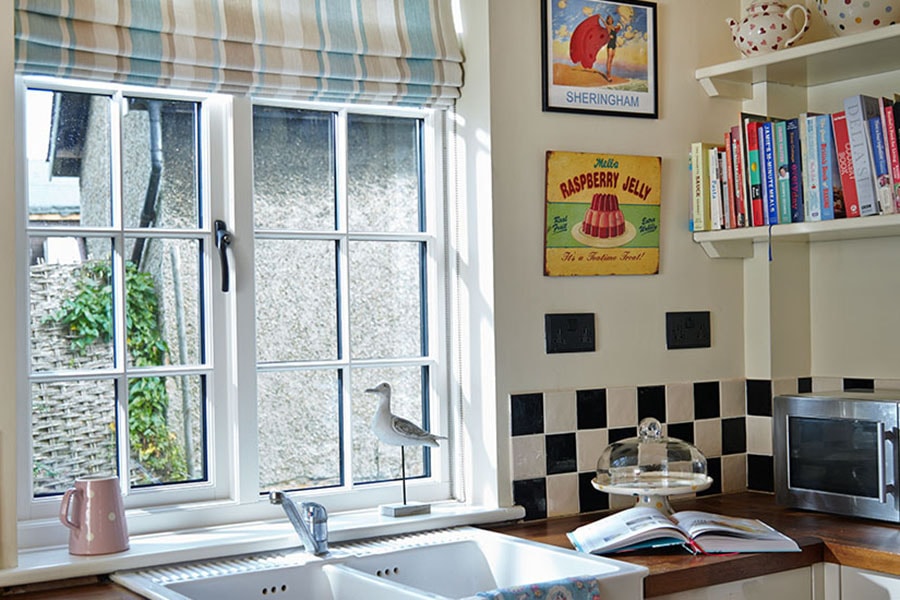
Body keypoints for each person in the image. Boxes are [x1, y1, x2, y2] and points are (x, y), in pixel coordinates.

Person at [604, 15, 622, 82]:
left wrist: (619, 26)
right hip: (610, 44)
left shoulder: (614, 27)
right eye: (609, 19)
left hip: (614, 44)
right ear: (607, 20)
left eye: (611, 19)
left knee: (611, 60)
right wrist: (600, 17)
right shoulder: (608, 27)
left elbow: (618, 28)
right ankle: (608, 75)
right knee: (609, 59)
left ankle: (609, 72)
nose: (610, 20)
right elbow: (605, 24)